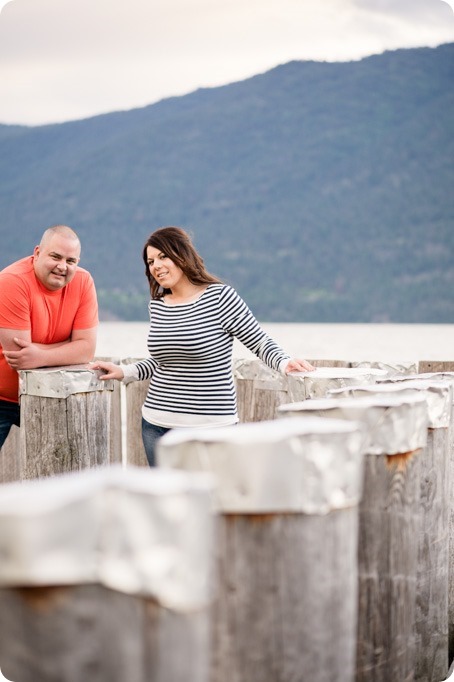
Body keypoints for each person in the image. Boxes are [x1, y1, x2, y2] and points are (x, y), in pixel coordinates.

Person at [92, 226, 315, 466]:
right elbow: (162, 361)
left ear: (182, 255)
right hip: (156, 427)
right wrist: (124, 371)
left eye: (163, 256)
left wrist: (284, 362)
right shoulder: (158, 305)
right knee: (169, 502)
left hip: (212, 428)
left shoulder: (221, 298)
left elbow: (259, 341)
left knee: (214, 501)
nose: (155, 266)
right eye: (150, 261)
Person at [0, 225, 99, 449]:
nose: (62, 266)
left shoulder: (83, 282)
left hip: (52, 396)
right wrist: (70, 347)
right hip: (2, 397)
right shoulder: (11, 281)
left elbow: (87, 349)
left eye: (71, 261)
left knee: (65, 469)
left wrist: (40, 355)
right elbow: (21, 359)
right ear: (37, 253)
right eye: (55, 256)